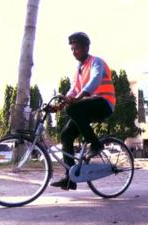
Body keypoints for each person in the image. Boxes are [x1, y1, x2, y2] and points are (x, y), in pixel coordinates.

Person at [50, 32, 116, 190]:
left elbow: (95, 80)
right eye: (72, 49)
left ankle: (96, 144)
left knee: (74, 108)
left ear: (86, 47)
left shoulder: (96, 62)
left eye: (77, 48)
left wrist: (79, 97)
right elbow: (73, 90)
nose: (74, 52)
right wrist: (59, 105)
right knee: (66, 135)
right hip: (87, 105)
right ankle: (70, 179)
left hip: (104, 103)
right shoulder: (79, 69)